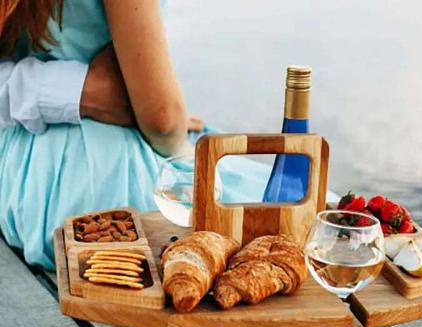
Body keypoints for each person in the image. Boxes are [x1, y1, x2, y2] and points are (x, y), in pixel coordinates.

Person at [0, 0, 272, 269]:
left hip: (20, 183)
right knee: (286, 214)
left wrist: (70, 90)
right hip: (104, 194)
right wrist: (179, 143)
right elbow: (161, 119)